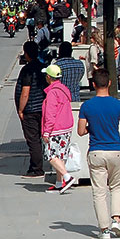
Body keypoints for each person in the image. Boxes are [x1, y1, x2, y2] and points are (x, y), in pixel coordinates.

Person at [78, 69, 120, 239]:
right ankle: (116, 220)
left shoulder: (87, 106)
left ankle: (104, 230)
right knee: (116, 187)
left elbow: (81, 131)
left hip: (96, 151)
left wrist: (92, 127)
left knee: (99, 191)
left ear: (93, 84)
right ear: (110, 83)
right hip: (115, 151)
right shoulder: (119, 105)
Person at [40, 65, 76, 193]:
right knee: (60, 156)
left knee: (50, 155)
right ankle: (59, 183)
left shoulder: (52, 93)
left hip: (56, 129)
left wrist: (46, 131)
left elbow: (50, 114)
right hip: (66, 127)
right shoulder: (64, 90)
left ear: (49, 77)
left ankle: (67, 177)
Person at [16, 41, 47, 178]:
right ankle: (34, 164)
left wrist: (21, 109)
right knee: (38, 138)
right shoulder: (42, 67)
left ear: (27, 53)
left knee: (33, 140)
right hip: (43, 108)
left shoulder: (28, 70)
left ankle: (37, 168)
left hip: (31, 110)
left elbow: (25, 92)